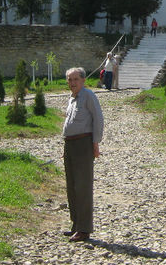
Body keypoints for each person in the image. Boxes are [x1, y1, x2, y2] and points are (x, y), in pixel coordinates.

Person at [62, 67, 104, 242]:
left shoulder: (88, 96)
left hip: (83, 144)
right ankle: (75, 224)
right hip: (70, 145)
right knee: (71, 187)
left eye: (75, 79)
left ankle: (84, 229)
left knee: (83, 187)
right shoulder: (71, 99)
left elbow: (98, 119)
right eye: (69, 80)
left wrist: (95, 143)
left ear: (83, 80)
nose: (72, 83)